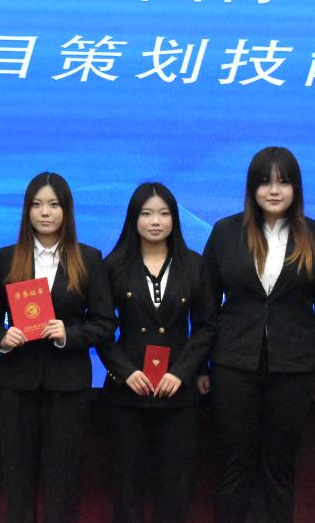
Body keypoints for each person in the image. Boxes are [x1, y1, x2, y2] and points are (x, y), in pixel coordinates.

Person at [200, 146, 315, 522]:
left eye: (283, 182)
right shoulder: (225, 232)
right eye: (265, 182)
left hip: (294, 370)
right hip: (233, 365)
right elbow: (206, 306)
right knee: (235, 463)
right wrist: (200, 367)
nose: (274, 191)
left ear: (297, 188)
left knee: (280, 467)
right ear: (252, 188)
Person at [0, 171, 117, 523]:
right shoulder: (7, 256)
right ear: (27, 211)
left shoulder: (89, 258)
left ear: (67, 210)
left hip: (68, 385)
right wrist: (1, 337)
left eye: (54, 204)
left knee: (64, 479)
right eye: (37, 204)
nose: (45, 212)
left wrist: (69, 335)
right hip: (16, 384)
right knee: (17, 479)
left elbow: (105, 323)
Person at [98, 182, 212, 523]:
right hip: (127, 393)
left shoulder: (195, 265)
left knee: (174, 487)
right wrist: (125, 372)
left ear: (175, 219)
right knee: (126, 486)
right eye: (146, 214)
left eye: (164, 213)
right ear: (133, 219)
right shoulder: (113, 265)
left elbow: (206, 327)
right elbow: (101, 328)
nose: (156, 221)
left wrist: (182, 372)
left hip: (177, 393)